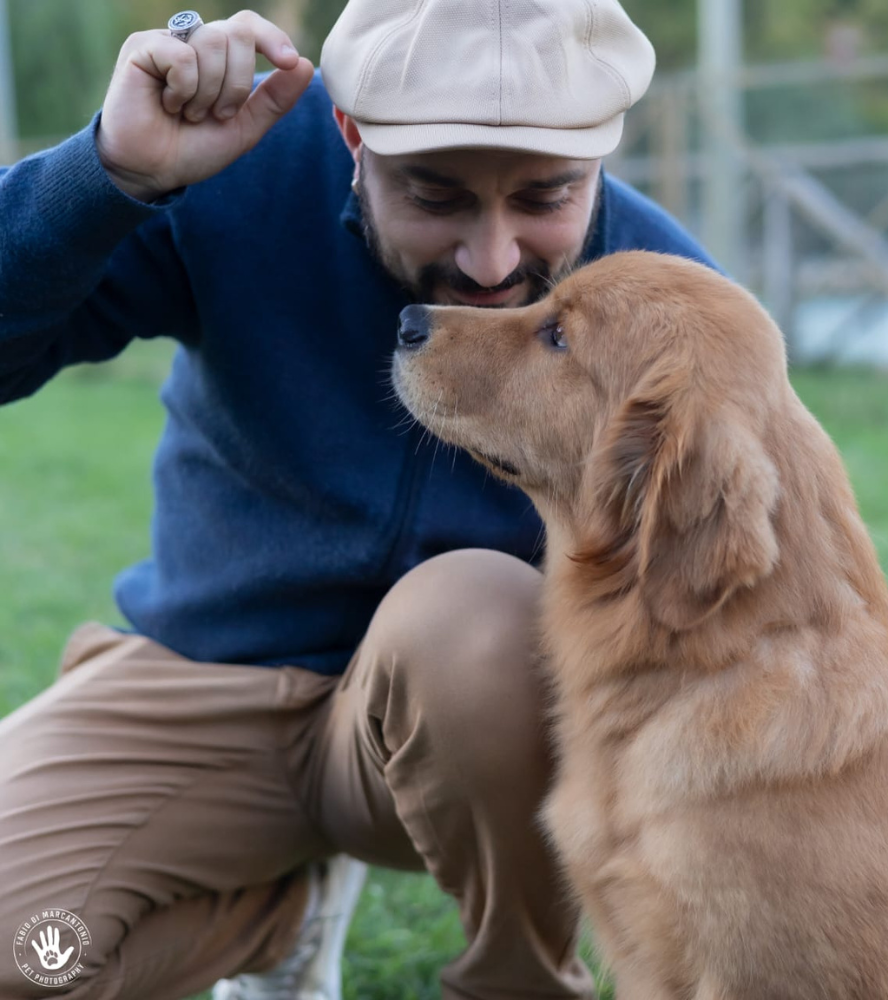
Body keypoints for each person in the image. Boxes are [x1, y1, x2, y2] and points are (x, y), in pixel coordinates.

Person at [0, 1, 716, 998]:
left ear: (603, 153)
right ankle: (269, 914)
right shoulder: (237, 175)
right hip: (204, 690)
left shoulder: (669, 307)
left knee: (475, 608)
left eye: (546, 196)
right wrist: (108, 175)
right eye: (436, 196)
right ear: (350, 136)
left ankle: (519, 981)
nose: (492, 260)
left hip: (473, 719)